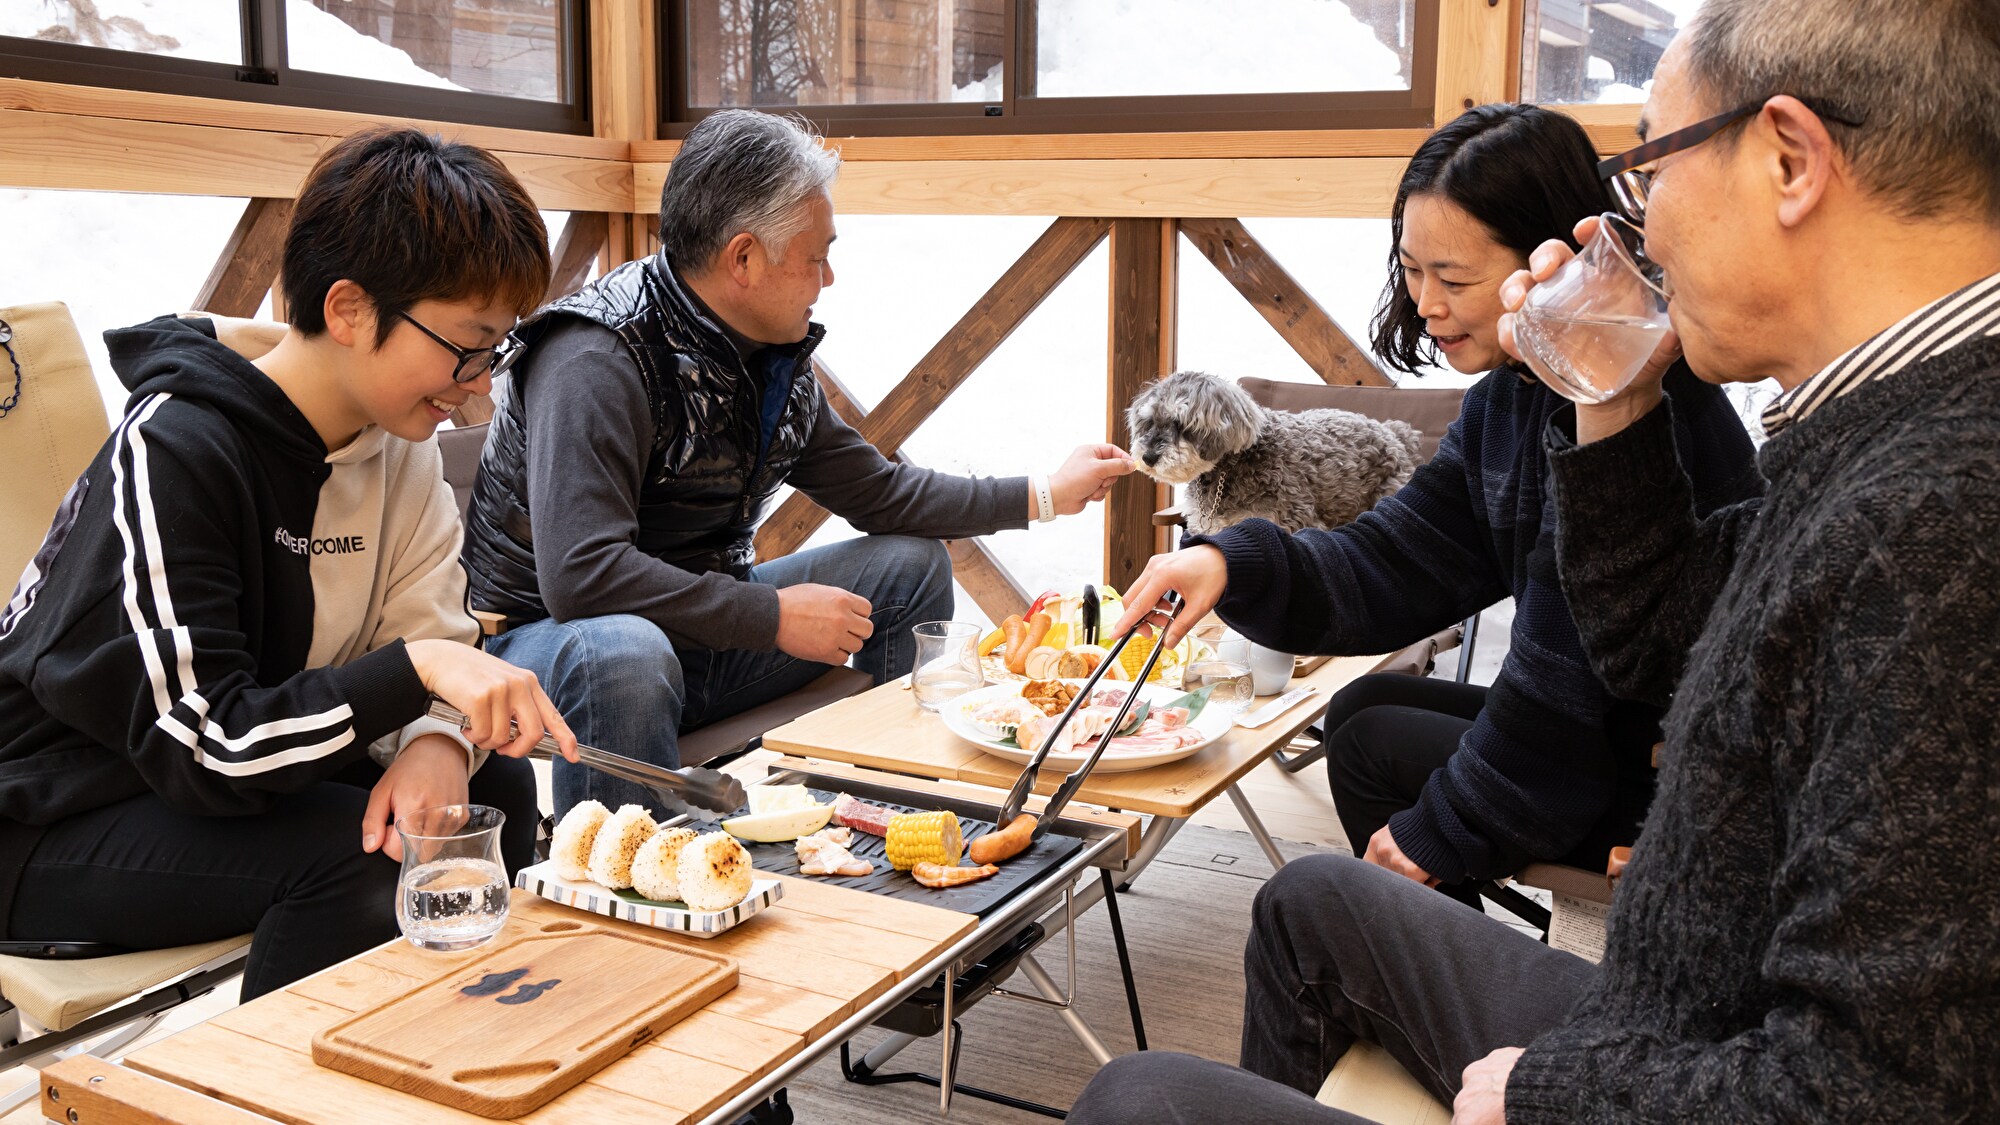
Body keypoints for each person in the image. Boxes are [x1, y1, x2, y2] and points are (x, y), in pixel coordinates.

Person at [1071, 0, 2000, 1120]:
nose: (1640, 231)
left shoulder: (1942, 517)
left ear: (1787, 159)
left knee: (1138, 1098)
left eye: (1650, 169)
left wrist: (1548, 1089)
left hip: (1659, 1059)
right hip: (1662, 1018)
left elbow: (1879, 1087)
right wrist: (1242, 564)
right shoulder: (1863, 437)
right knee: (1319, 882)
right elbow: (1642, 622)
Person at [1119, 104, 1758, 905]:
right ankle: (1445, 966)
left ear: (1555, 260)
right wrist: (1231, 559)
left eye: (1452, 278)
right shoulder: (1504, 402)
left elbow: (1569, 670)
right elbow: (1397, 557)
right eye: (1412, 271)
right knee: (1368, 706)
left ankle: (1450, 983)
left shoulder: (1633, 408)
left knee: (1374, 750)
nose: (1424, 301)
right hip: (1601, 732)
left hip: (1686, 773)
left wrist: (1449, 823)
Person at [0, 128, 578, 1000]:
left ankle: (425, 1065)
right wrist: (417, 676)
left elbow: (430, 627)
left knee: (487, 793)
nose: (481, 384)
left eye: (495, 349)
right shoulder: (176, 445)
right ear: (348, 309)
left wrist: (437, 741)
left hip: (212, 782)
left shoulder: (398, 442)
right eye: (466, 345)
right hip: (53, 812)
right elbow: (206, 743)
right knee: (368, 864)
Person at [463, 109, 1132, 815]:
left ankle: (871, 819)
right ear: (743, 258)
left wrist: (1047, 493)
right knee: (623, 651)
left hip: (697, 636)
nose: (830, 276)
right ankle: (637, 887)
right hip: (556, 658)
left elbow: (879, 494)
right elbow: (581, 578)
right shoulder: (597, 355)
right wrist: (768, 614)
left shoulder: (767, 355)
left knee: (908, 568)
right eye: (816, 256)